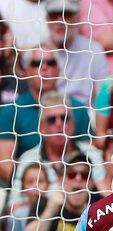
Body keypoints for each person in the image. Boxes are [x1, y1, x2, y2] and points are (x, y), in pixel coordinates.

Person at [0, 47, 91, 181]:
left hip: (75, 185)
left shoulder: (77, 109)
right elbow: (4, 162)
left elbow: (89, 153)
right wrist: (31, 186)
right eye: (37, 63)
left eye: (51, 62)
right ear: (26, 71)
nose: (44, 68)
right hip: (30, 188)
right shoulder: (11, 111)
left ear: (59, 70)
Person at [46, 0, 108, 106]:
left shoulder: (93, 49)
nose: (61, 21)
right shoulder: (38, 53)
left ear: (77, 18)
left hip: (85, 114)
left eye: (67, 14)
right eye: (54, 15)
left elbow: (101, 95)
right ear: (47, 19)